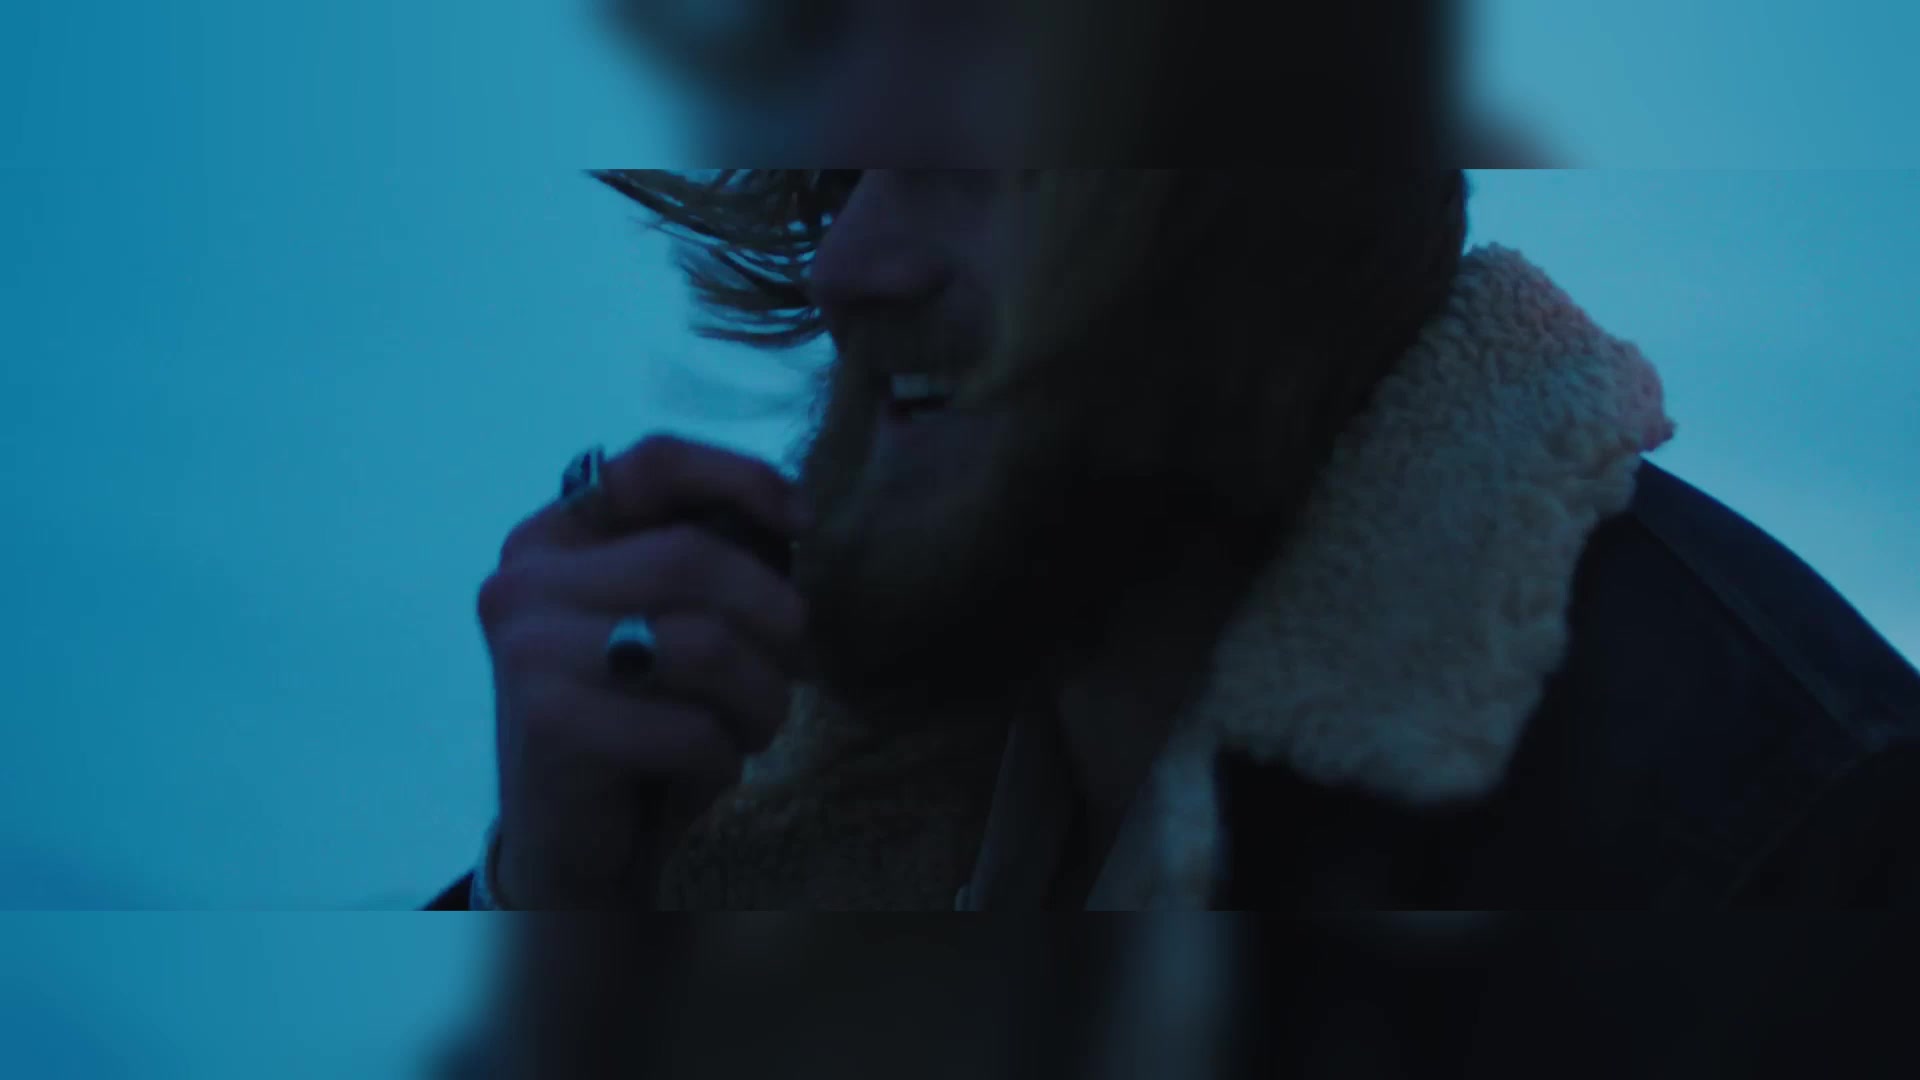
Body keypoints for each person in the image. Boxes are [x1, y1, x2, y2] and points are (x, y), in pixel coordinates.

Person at [422, 0, 1920, 917]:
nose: (852, 264)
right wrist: (553, 908)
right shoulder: (760, 775)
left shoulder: (1785, 842)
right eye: (848, 163)